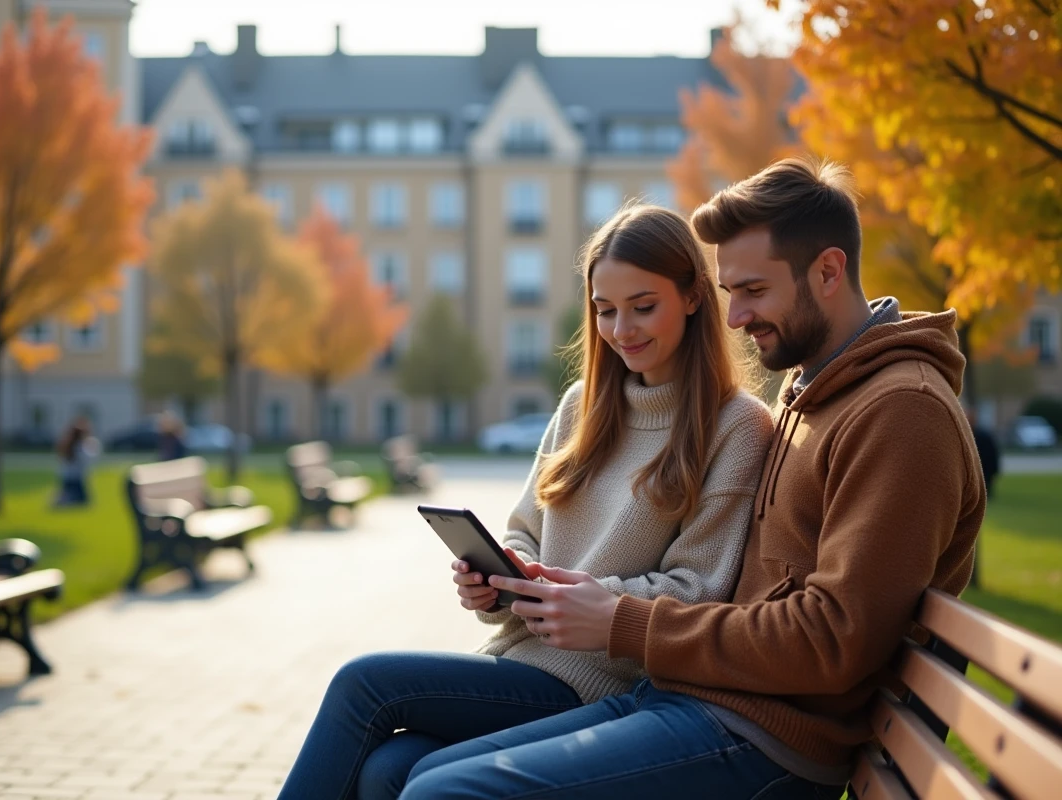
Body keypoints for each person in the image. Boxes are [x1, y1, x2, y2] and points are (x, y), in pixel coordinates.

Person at [398, 157, 985, 799]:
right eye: (732, 294)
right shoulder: (816, 392)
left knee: (438, 792)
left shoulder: (902, 412)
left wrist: (624, 621)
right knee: (411, 774)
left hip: (768, 740)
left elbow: (834, 640)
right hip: (695, 700)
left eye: (754, 291)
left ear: (828, 271)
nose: (735, 319)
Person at [277, 206, 775, 799]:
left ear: (694, 297)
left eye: (644, 306)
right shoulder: (581, 407)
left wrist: (590, 604)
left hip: (603, 684)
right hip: (518, 659)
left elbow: (700, 588)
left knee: (363, 684)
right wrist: (495, 578)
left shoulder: (736, 426)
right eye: (605, 310)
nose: (622, 330)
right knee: (390, 767)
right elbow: (523, 533)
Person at [53, 417, 100, 507]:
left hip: (68, 478)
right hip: (76, 479)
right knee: (80, 500)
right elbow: (90, 458)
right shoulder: (79, 447)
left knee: (81, 500)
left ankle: (62, 498)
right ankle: (61, 499)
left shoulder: (69, 445)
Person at [967, 406, 1000, 499]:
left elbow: (992, 454)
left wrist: (993, 470)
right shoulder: (967, 436)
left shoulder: (984, 436)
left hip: (985, 469)